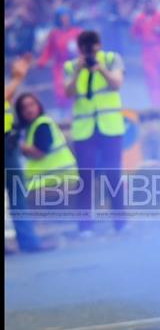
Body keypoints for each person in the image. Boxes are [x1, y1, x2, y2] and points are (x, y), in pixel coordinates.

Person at [64, 30, 126, 236]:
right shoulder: (71, 66)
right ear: (79, 49)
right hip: (84, 129)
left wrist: (100, 70)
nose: (90, 50)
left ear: (99, 45)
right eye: (85, 46)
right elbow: (67, 92)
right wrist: (78, 71)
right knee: (85, 177)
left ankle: (120, 222)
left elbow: (116, 84)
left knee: (113, 175)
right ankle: (85, 226)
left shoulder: (111, 59)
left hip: (110, 125)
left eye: (93, 45)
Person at [4, 56, 55, 253]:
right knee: (17, 194)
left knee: (17, 194)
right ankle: (29, 242)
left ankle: (29, 242)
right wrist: (17, 77)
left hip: (8, 143)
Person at [15, 92, 79, 193]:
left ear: (38, 106)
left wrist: (19, 146)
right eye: (24, 108)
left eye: (32, 105)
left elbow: (39, 152)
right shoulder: (31, 127)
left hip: (58, 181)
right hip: (53, 181)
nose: (29, 110)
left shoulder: (42, 124)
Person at [36, 6, 82, 115]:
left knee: (77, 86)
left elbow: (83, 47)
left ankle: (76, 111)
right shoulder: (54, 33)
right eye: (61, 17)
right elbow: (49, 49)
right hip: (59, 66)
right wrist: (42, 61)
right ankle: (63, 113)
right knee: (60, 89)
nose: (64, 19)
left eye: (66, 17)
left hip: (76, 64)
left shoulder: (78, 32)